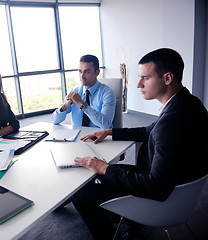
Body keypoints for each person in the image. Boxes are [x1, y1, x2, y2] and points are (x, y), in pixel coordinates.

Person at [71, 48, 208, 240]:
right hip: (178, 184)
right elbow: (146, 131)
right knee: (104, 171)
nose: (138, 84)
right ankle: (129, 223)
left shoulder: (172, 123)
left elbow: (156, 187)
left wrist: (104, 168)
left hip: (162, 199)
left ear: (167, 78)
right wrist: (110, 131)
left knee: (81, 192)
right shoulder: (187, 103)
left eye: (145, 78)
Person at [52, 54, 116, 129]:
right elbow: (54, 120)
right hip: (77, 137)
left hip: (99, 137)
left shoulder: (107, 93)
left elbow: (106, 124)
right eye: (80, 71)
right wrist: (65, 106)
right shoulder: (75, 92)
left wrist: (82, 104)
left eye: (87, 72)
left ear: (97, 73)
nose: (82, 76)